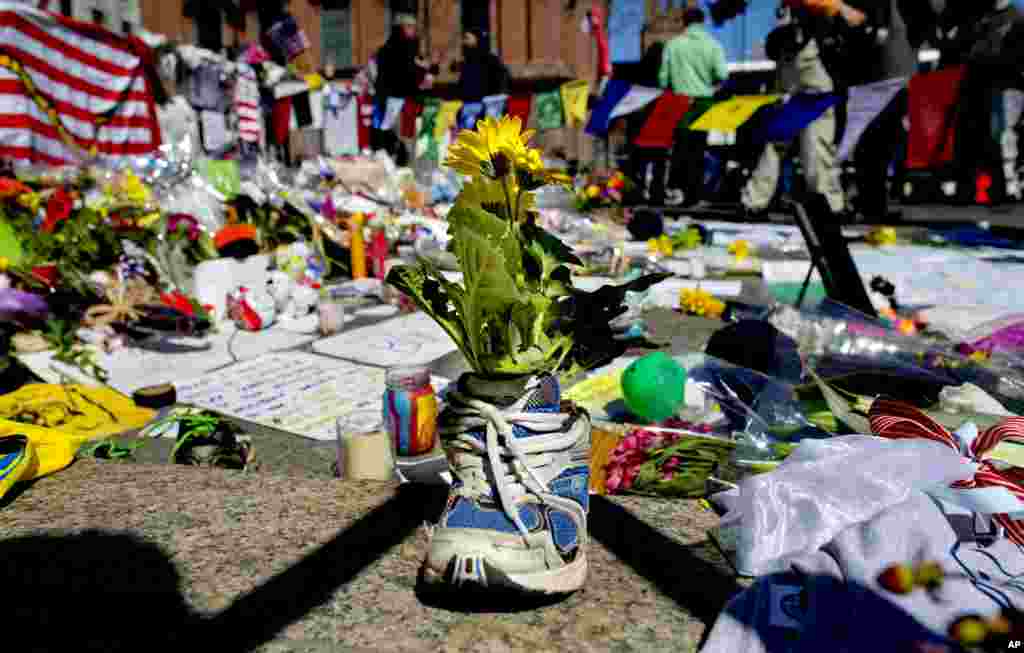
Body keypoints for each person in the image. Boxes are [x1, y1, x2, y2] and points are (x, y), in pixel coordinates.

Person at [738, 0, 864, 220]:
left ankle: (756, 201)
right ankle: (828, 205)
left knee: (789, 147)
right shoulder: (813, 16)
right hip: (806, 81)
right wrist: (841, 9)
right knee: (808, 147)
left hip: (804, 82)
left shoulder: (795, 19)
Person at [848, 0, 942, 222]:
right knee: (874, 144)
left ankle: (873, 204)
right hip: (881, 73)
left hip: (891, 73)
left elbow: (929, 19)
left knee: (878, 144)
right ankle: (872, 204)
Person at [658, 7, 729, 207]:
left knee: (680, 147)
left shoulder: (673, 45)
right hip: (703, 101)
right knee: (699, 148)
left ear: (684, 22)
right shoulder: (713, 45)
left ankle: (676, 190)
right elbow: (722, 74)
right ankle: (694, 193)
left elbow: (663, 79)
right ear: (703, 21)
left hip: (679, 100)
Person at [372, 13, 437, 166]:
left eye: (414, 27)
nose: (413, 30)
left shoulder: (411, 48)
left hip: (409, 100)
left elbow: (415, 73)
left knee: (408, 137)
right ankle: (394, 167)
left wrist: (425, 71)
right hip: (394, 99)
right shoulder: (391, 49)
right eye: (409, 27)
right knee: (393, 136)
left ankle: (405, 169)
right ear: (399, 28)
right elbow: (401, 74)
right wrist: (421, 72)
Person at [453, 29, 510, 103]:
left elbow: (502, 75)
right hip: (469, 102)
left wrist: (501, 94)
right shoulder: (468, 59)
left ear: (477, 39)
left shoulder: (490, 58)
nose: (464, 42)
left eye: (467, 38)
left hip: (488, 102)